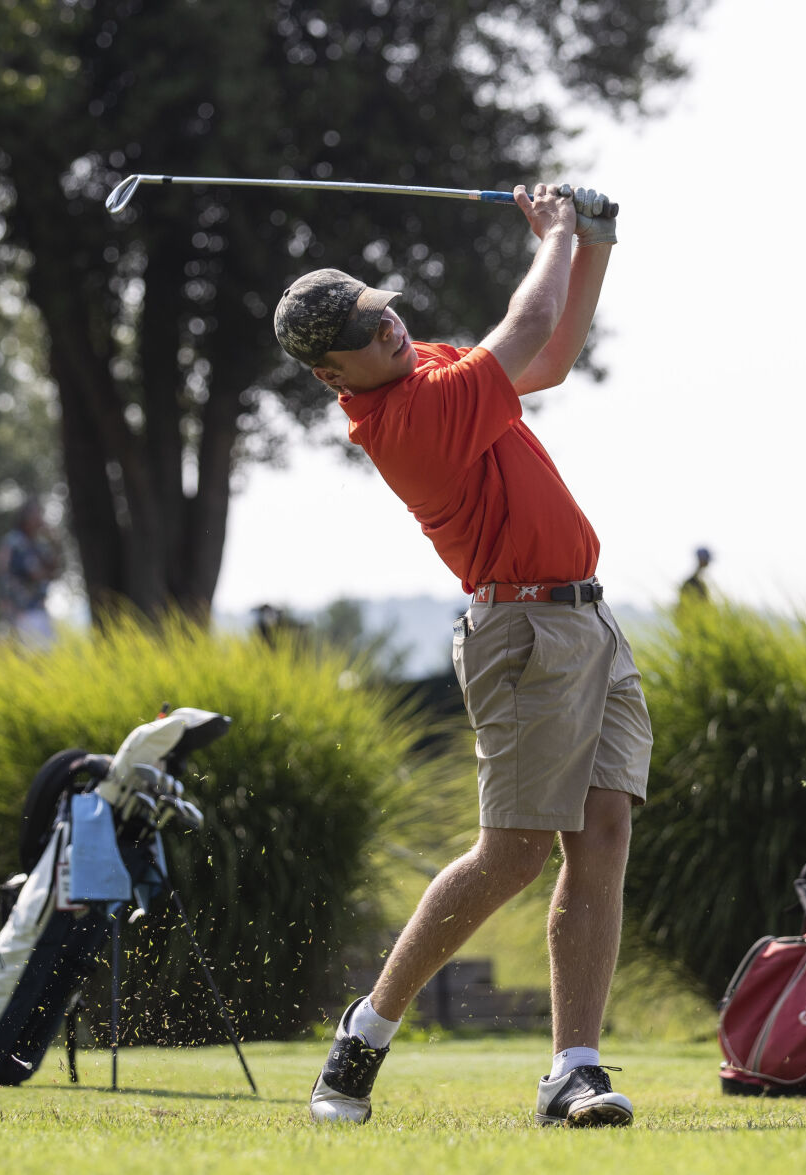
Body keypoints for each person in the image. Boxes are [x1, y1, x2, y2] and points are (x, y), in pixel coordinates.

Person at [275, 183, 650, 1127]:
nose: (390, 327)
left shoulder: (430, 367)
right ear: (333, 373)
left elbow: (551, 358)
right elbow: (525, 329)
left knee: (602, 832)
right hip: (521, 632)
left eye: (382, 308)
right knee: (511, 856)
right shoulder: (408, 418)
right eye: (366, 331)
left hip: (588, 621)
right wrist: (556, 234)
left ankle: (574, 1068)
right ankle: (365, 1031)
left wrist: (592, 240)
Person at [0, 497, 61, 649]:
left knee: (46, 657)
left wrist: (55, 542)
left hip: (38, 608)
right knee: (36, 657)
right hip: (22, 611)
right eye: (36, 514)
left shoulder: (38, 544)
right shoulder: (14, 542)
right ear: (25, 517)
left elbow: (54, 570)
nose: (40, 518)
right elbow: (35, 574)